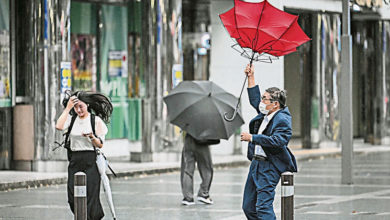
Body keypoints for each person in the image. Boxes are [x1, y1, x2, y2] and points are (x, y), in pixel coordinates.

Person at [240, 64, 297, 220]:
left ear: (275, 104)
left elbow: (278, 141)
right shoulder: (266, 114)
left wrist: (252, 138)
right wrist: (251, 77)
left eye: (265, 99)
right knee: (248, 207)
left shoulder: (282, 119)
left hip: (269, 165)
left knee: (263, 207)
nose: (262, 102)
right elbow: (254, 100)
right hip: (256, 164)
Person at [55, 91, 113, 220]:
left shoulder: (95, 121)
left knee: (91, 198)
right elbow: (59, 126)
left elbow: (100, 145)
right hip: (75, 160)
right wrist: (68, 108)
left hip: (91, 161)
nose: (78, 110)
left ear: (87, 105)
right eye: (76, 107)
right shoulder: (71, 119)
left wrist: (92, 136)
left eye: (81, 106)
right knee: (72, 197)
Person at [181, 133, 220, 205]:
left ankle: (187, 197)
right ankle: (203, 193)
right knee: (207, 169)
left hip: (189, 140)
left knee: (187, 170)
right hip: (202, 141)